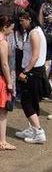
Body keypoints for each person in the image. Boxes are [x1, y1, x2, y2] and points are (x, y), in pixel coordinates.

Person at [15, 10, 48, 144]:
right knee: (33, 101)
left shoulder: (34, 33)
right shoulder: (37, 30)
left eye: (22, 20)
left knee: (26, 101)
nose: (21, 23)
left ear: (29, 19)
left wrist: (25, 72)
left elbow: (35, 56)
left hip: (33, 72)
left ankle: (38, 131)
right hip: (35, 71)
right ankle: (33, 128)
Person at [0, 16, 14, 150]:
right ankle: (2, 142)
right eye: (11, 28)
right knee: (3, 111)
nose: (12, 31)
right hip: (0, 79)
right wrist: (9, 82)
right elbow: (4, 64)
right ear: (4, 27)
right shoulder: (2, 42)